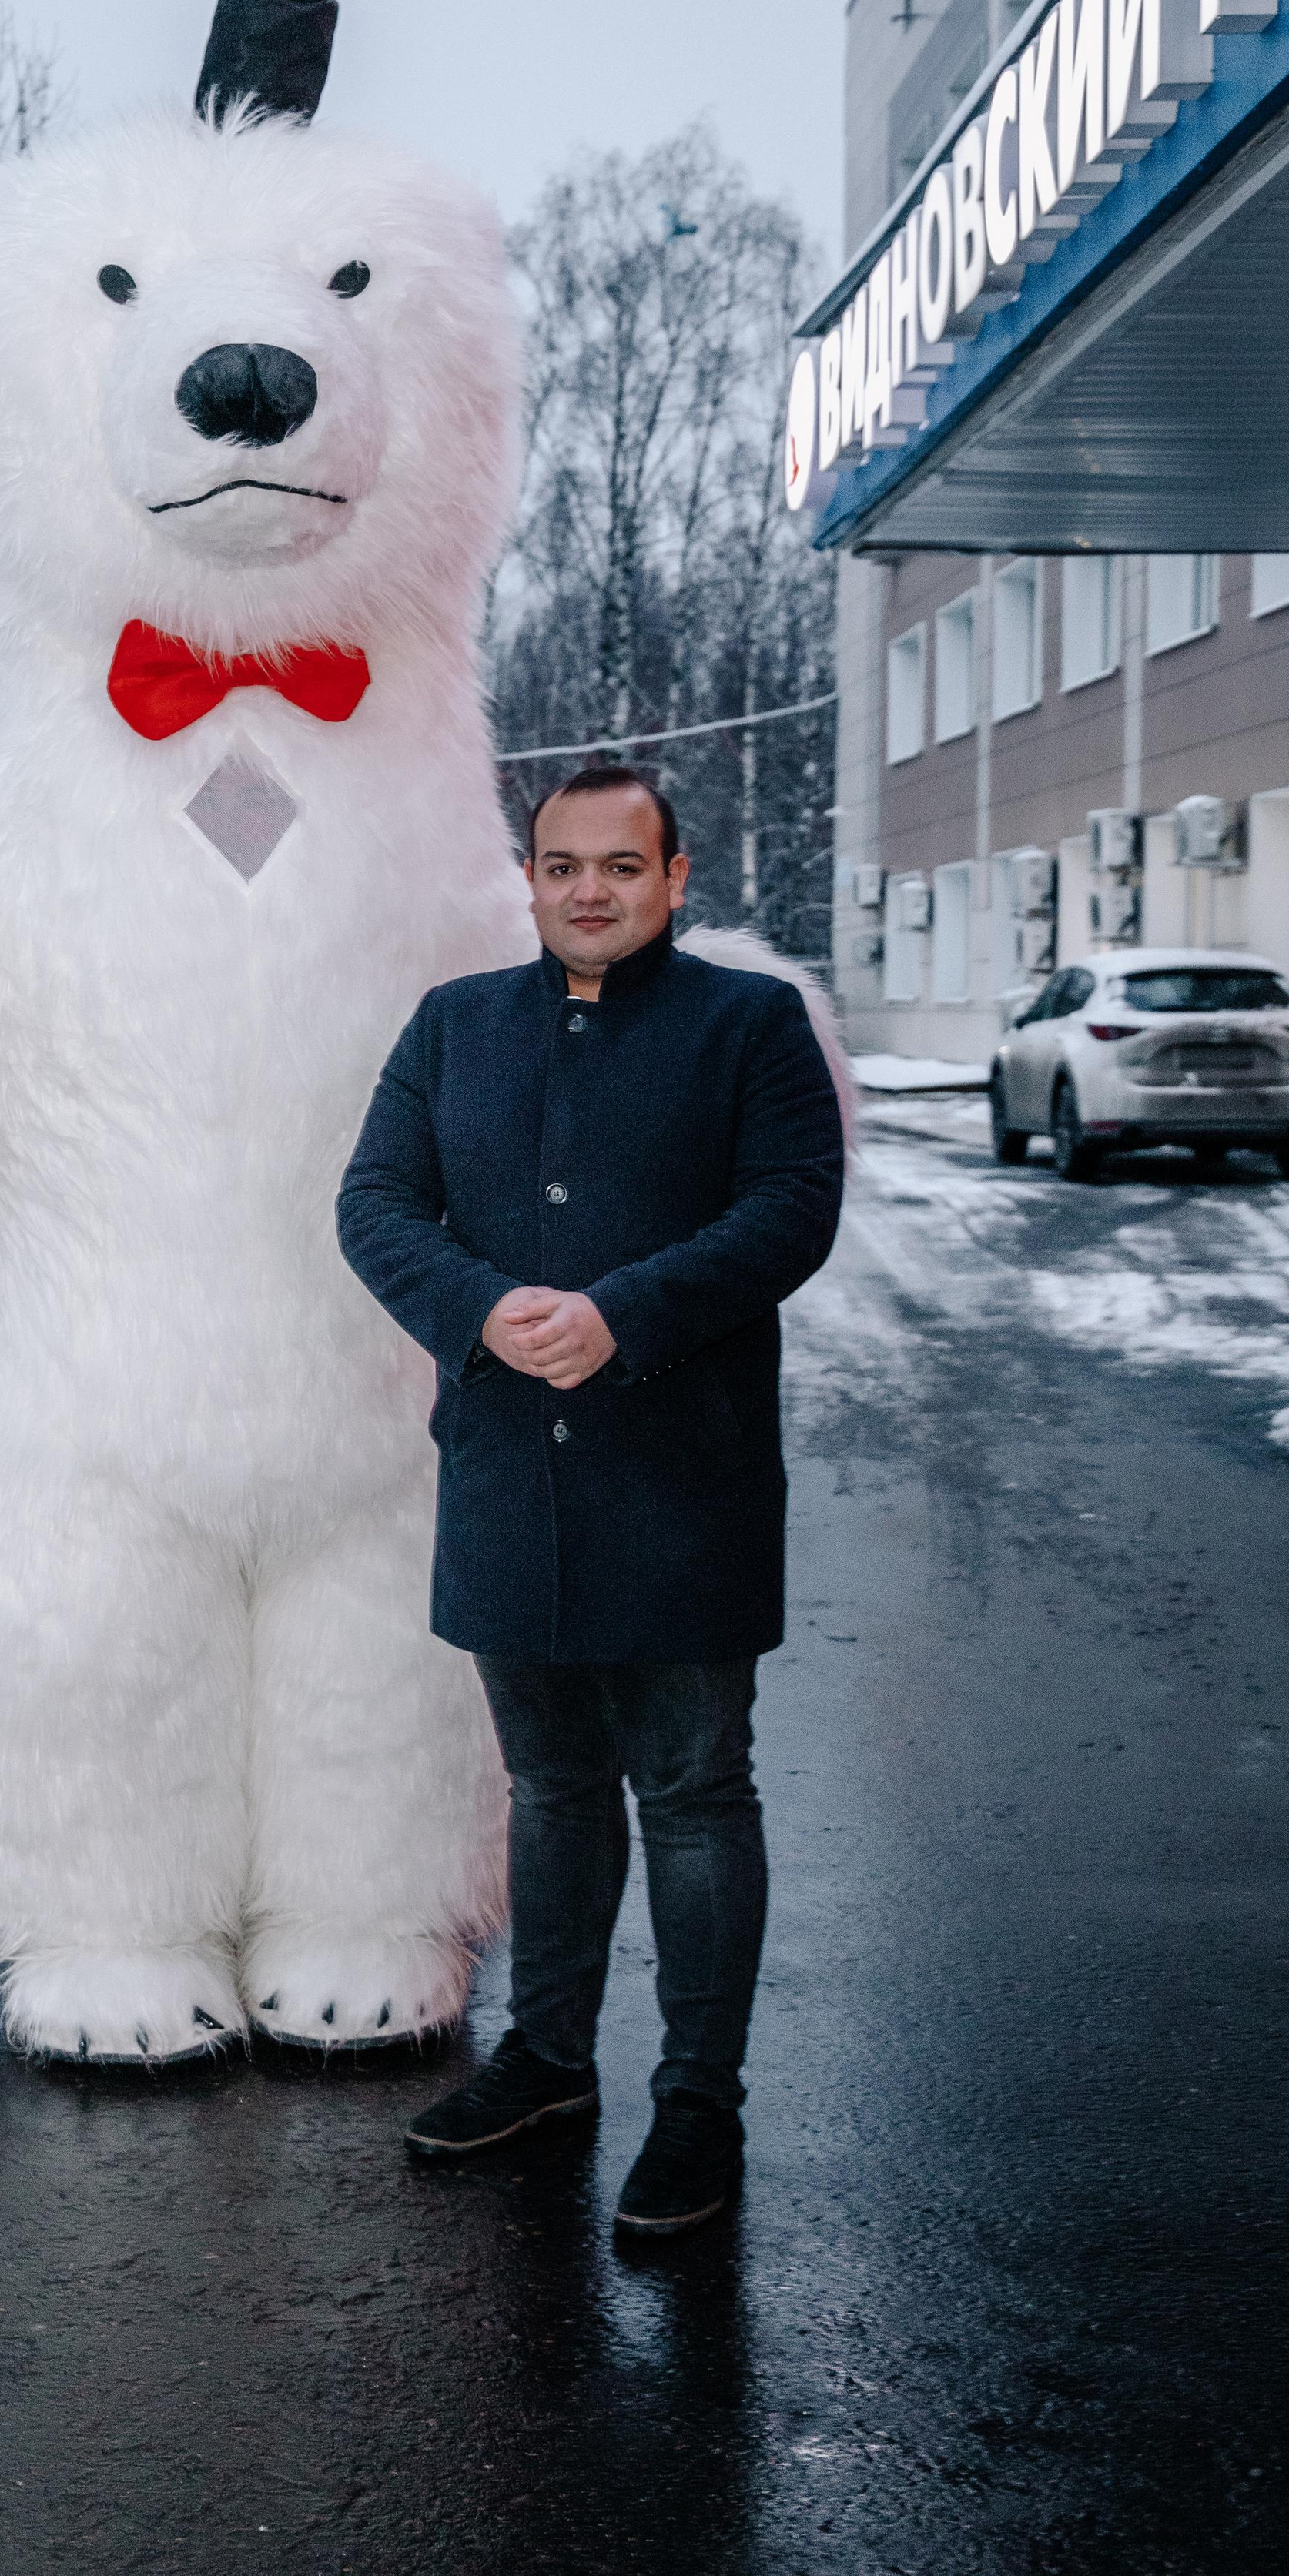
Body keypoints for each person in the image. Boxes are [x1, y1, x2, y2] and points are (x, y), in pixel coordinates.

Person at [335, 765, 845, 2235]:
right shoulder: (455, 1026)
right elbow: (374, 1204)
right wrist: (481, 1308)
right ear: (533, 875)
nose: (589, 890)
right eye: (562, 865)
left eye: (622, 865)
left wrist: (627, 1311)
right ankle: (550, 2058)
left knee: (692, 1791)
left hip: (683, 1473)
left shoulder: (749, 1027)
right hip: (511, 1471)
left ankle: (700, 2102)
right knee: (552, 1788)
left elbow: (791, 1207)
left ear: (678, 876)